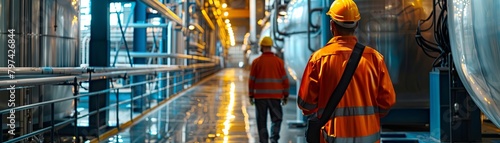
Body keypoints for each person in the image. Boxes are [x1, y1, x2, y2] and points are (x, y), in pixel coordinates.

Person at [297, 0, 396, 142]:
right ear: (356, 25)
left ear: (332, 25)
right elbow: (387, 101)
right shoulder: (375, 58)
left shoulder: (318, 60)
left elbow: (305, 104)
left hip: (332, 139)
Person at [248, 36, 290, 143]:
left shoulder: (256, 62)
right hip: (275, 97)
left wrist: (251, 95)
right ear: (271, 47)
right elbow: (285, 80)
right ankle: (274, 138)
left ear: (261, 47)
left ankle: (264, 141)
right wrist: (285, 95)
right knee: (277, 119)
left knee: (261, 121)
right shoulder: (279, 62)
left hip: (260, 98)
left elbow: (251, 80)